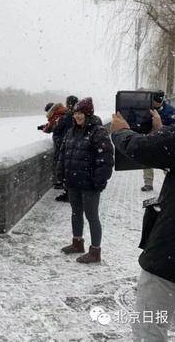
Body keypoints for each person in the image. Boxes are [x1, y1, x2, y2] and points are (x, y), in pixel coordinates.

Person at [111, 110, 175, 341]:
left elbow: (141, 149)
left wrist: (121, 132)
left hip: (173, 256)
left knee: (149, 328)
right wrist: (163, 133)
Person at [57, 97, 114, 263]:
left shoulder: (99, 132)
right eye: (75, 113)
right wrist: (61, 173)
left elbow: (106, 159)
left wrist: (98, 181)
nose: (77, 116)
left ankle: (95, 252)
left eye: (81, 113)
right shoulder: (71, 131)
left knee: (92, 216)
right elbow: (63, 154)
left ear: (88, 113)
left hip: (90, 184)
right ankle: (77, 243)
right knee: (76, 213)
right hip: (73, 181)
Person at [140, 91, 175, 192]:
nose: (155, 103)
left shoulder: (171, 111)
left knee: (167, 163)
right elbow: (142, 122)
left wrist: (162, 128)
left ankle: (172, 184)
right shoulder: (148, 109)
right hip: (150, 138)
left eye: (157, 101)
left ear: (161, 100)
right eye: (154, 101)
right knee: (147, 161)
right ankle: (148, 183)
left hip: (165, 140)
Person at [51, 95, 79, 202]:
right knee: (73, 170)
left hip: (67, 147)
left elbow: (56, 130)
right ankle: (71, 193)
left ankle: (69, 194)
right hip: (76, 147)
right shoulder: (80, 116)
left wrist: (60, 142)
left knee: (66, 170)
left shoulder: (65, 117)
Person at [37, 102, 67, 192]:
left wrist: (43, 128)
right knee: (64, 161)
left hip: (60, 141)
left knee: (59, 161)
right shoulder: (63, 112)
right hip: (65, 140)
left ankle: (61, 182)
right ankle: (63, 182)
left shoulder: (56, 115)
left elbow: (51, 128)